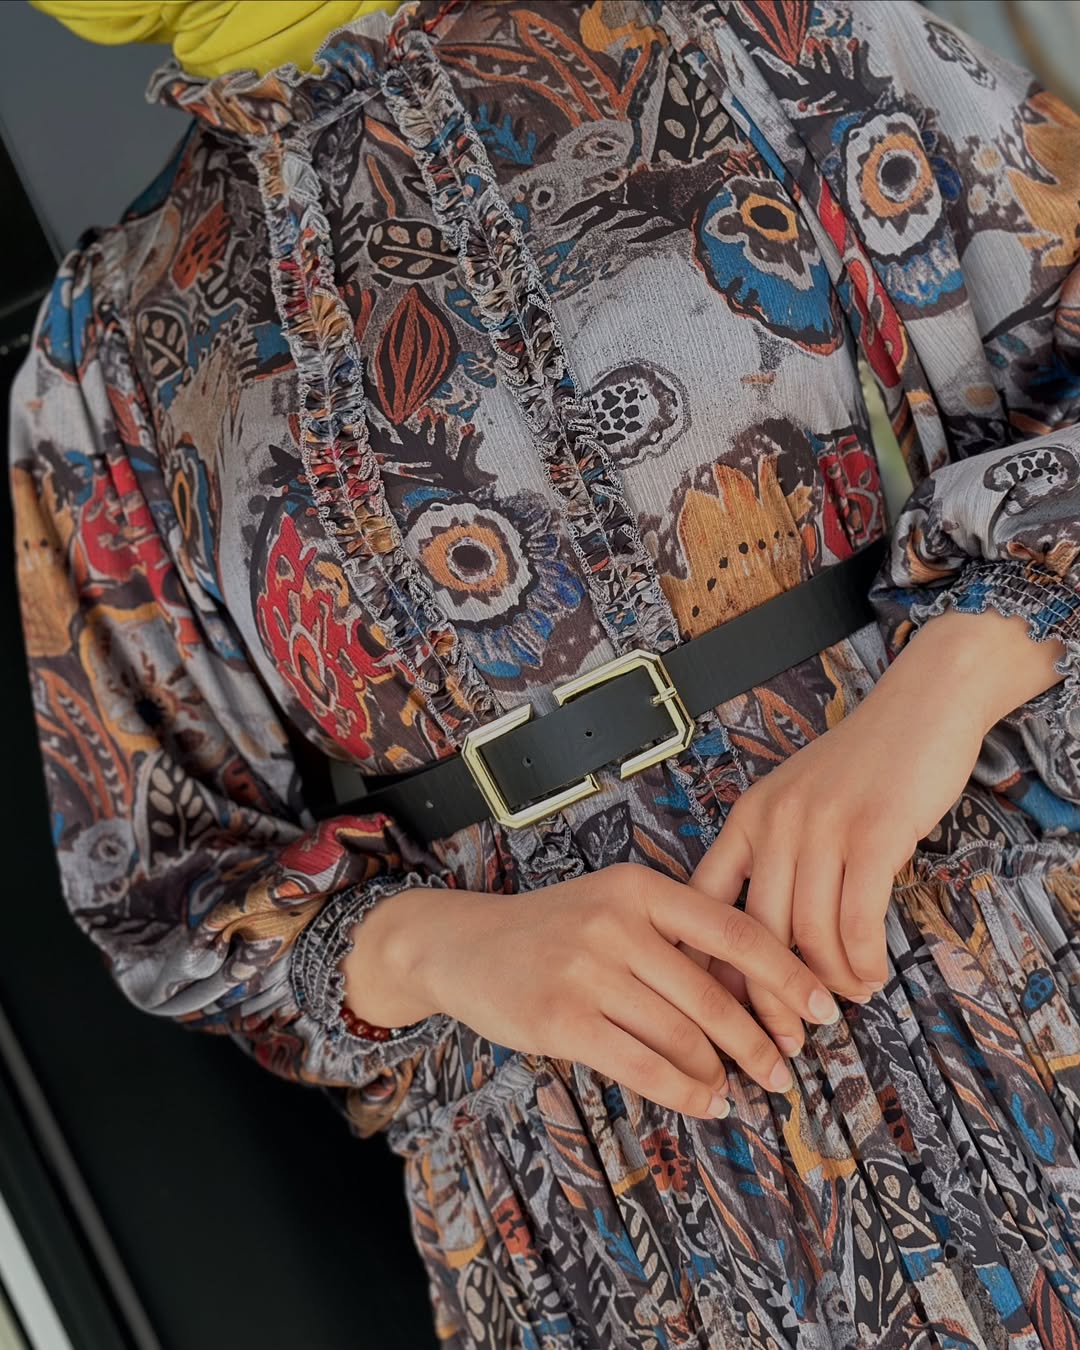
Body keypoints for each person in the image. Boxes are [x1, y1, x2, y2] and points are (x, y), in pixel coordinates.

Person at [12, 0, 1080, 1344]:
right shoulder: (103, 361)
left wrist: (948, 685)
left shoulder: (751, 29)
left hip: (1013, 963)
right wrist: (435, 949)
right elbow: (166, 883)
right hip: (606, 1204)